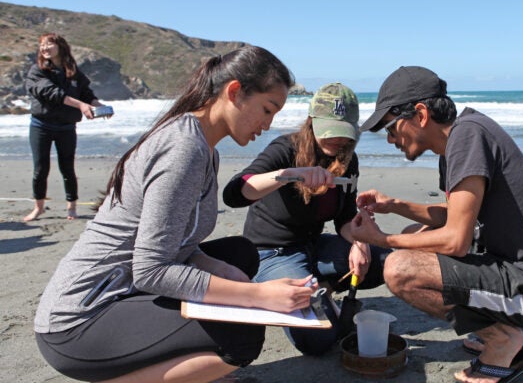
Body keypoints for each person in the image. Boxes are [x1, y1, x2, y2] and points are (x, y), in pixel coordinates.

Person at [34, 46, 316, 383]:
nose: (268, 125)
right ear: (235, 92)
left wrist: (232, 276)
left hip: (125, 290)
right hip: (79, 320)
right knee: (243, 334)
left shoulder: (203, 148)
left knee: (238, 256)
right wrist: (259, 296)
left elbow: (178, 246)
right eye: (267, 110)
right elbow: (151, 269)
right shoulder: (182, 150)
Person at [349, 66, 523, 383]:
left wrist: (383, 240)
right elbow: (457, 214)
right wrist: (394, 205)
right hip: (518, 270)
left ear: (421, 114)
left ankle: (502, 339)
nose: (389, 139)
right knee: (416, 235)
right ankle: (503, 329)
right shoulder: (461, 136)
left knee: (399, 269)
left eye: (389, 127)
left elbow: (456, 240)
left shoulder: (467, 136)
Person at [222, 82, 390, 355]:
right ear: (311, 122)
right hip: (272, 253)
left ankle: (316, 288)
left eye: (344, 133)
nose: (338, 141)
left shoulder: (348, 158)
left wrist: (360, 242)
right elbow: (235, 193)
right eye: (330, 132)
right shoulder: (285, 149)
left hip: (314, 247)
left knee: (383, 261)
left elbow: (345, 218)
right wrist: (289, 174)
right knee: (319, 342)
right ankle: (278, 289)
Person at [24, 32, 110, 222]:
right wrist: (80, 105)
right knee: (41, 168)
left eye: (49, 44)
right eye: (42, 45)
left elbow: (86, 93)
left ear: (60, 47)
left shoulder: (72, 71)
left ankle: (71, 207)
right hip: (42, 125)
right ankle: (38, 208)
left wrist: (99, 106)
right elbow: (52, 93)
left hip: (66, 127)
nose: (45, 48)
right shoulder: (36, 71)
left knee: (68, 168)